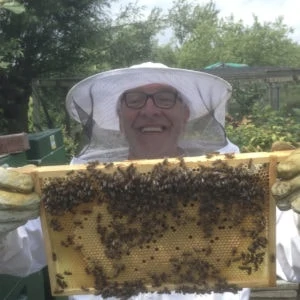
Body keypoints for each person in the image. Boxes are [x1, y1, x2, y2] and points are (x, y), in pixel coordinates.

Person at [0, 62, 299, 300]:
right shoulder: (80, 189)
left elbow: (291, 255)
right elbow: (16, 257)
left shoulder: (238, 183)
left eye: (166, 98)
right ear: (118, 116)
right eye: (134, 99)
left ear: (185, 114)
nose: (150, 109)